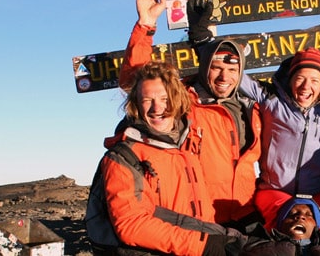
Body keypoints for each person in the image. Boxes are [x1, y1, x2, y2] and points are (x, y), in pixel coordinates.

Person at [120, 0, 263, 231]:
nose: (224, 77)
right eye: (216, 68)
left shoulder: (251, 108)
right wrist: (146, 24)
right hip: (201, 219)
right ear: (204, 67)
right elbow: (139, 81)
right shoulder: (184, 99)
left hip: (246, 216)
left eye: (232, 70)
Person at [94, 61, 243, 255]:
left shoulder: (187, 145)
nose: (157, 107)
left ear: (177, 99)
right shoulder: (124, 156)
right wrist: (205, 245)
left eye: (165, 98)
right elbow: (132, 225)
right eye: (147, 99)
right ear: (136, 104)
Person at [237, 47, 320, 243]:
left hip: (318, 190)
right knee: (274, 237)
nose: (305, 87)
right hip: (275, 189)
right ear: (290, 79)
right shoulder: (272, 100)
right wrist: (203, 41)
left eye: (314, 81)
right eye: (300, 78)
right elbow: (233, 74)